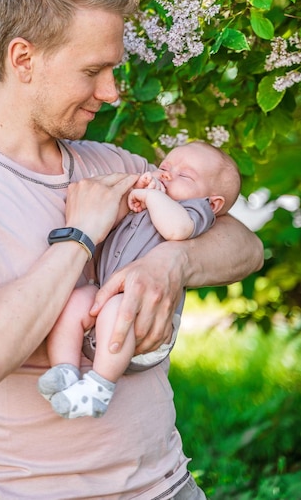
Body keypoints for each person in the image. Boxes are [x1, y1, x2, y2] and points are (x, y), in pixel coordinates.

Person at [0, 0, 263, 500]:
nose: (112, 92)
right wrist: (78, 236)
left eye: (113, 70)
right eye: (93, 71)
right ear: (23, 59)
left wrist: (172, 261)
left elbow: (243, 243)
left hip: (169, 487)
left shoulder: (115, 165)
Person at [38, 141, 241, 418]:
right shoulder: (149, 201)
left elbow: (177, 229)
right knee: (74, 301)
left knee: (115, 308)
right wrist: (130, 198)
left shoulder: (196, 210)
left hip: (145, 323)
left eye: (184, 176)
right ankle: (64, 371)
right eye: (166, 167)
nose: (168, 174)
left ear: (214, 202)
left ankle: (99, 388)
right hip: (105, 293)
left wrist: (151, 197)